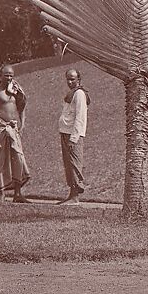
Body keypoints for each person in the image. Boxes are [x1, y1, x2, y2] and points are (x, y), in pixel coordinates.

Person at [0, 64, 31, 203]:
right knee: (2, 160)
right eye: (6, 75)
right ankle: (2, 193)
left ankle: (18, 193)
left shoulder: (15, 90)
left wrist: (22, 124)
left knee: (18, 158)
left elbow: (22, 107)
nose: (9, 78)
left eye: (11, 75)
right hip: (1, 127)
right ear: (0, 75)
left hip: (14, 128)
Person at [58, 67, 90, 203]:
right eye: (68, 79)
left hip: (73, 135)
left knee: (75, 164)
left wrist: (74, 138)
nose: (70, 82)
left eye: (72, 79)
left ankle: (75, 196)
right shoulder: (71, 94)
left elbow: (80, 117)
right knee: (69, 165)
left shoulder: (80, 94)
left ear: (78, 79)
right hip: (65, 133)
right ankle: (71, 195)